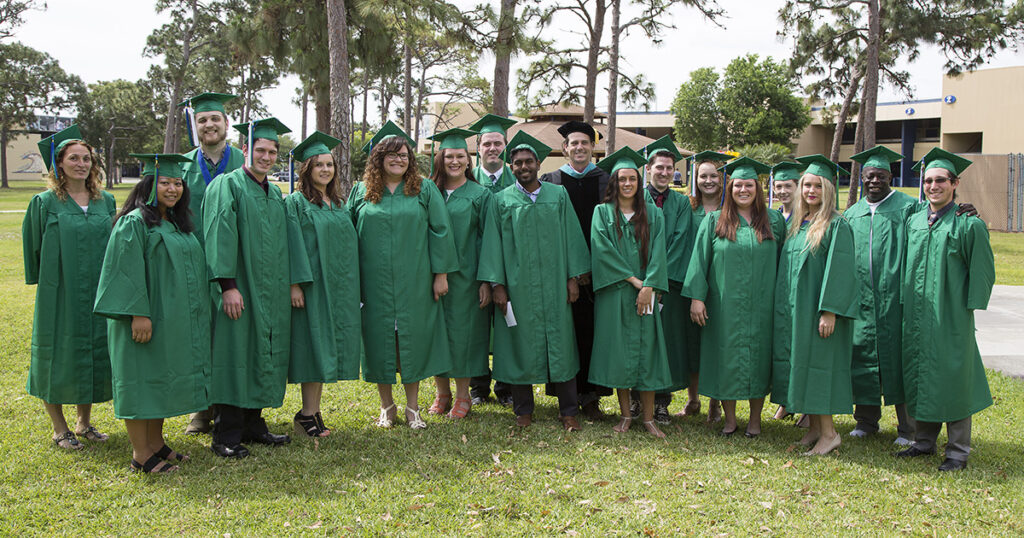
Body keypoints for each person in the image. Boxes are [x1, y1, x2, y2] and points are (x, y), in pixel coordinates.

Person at [93, 153, 211, 473]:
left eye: (177, 183)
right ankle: (141, 454)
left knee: (157, 379)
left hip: (169, 318)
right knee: (139, 380)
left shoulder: (175, 222)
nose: (172, 189)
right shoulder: (134, 222)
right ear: (148, 185)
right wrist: (138, 314)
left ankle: (156, 444)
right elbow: (125, 272)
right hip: (143, 319)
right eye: (165, 183)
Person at [347, 121, 458, 430]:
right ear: (378, 158)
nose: (398, 160)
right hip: (374, 283)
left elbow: (441, 231)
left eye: (404, 155)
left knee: (415, 339)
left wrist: (441, 274)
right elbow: (347, 235)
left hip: (416, 280)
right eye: (391, 155)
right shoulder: (362, 191)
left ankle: (413, 408)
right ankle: (386, 406)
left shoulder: (424, 189)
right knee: (379, 340)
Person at [478, 131, 590, 431]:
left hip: (555, 284)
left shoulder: (558, 195)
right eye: (517, 163)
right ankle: (523, 410)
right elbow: (492, 244)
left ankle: (568, 411)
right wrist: (497, 284)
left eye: (529, 161)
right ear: (510, 166)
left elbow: (571, 238)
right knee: (519, 344)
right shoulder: (501, 200)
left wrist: (573, 278)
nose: (524, 166)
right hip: (518, 285)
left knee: (562, 343)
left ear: (538, 163)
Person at [897, 148, 995, 472]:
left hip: (950, 315)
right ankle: (923, 442)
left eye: (940, 180)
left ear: (955, 183)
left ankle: (957, 451)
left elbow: (982, 269)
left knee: (953, 378)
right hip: (917, 314)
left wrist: (968, 308)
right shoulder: (913, 221)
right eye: (927, 180)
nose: (933, 185)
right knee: (921, 375)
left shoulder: (969, 224)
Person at [203, 117, 293, 458]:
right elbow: (218, 234)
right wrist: (227, 285)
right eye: (260, 150)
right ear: (245, 150)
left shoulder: (274, 194)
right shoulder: (228, 185)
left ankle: (254, 425)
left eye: (272, 152)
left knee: (262, 350)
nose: (267, 157)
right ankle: (225, 433)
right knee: (234, 353)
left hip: (269, 289)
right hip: (239, 287)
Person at [22, 125, 115, 450]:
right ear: (59, 164)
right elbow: (33, 247)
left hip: (97, 289)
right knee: (56, 353)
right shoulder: (45, 202)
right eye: (73, 158)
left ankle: (84, 422)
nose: (81, 163)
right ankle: (60, 428)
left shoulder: (105, 201)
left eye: (86, 158)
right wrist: (46, 283)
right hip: (59, 292)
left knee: (91, 350)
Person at [683, 157, 787, 437]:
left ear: (758, 188)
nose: (743, 189)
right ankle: (729, 419)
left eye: (749, 185)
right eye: (738, 184)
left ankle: (755, 420)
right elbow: (699, 261)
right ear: (729, 188)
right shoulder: (714, 221)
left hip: (762, 305)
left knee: (759, 359)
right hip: (723, 304)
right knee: (724, 358)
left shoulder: (774, 221)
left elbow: (785, 264)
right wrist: (697, 298)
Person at [775, 154, 859, 456]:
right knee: (803, 365)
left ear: (828, 190)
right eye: (806, 185)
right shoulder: (798, 224)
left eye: (817, 186)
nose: (811, 191)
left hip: (819, 312)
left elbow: (841, 270)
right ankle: (812, 428)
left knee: (819, 367)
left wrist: (829, 310)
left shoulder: (836, 225)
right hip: (797, 312)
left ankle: (829, 434)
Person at [588, 147, 670, 438]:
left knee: (647, 351)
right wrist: (637, 283)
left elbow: (660, 251)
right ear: (614, 182)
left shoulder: (654, 215)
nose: (626, 184)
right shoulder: (602, 213)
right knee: (620, 352)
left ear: (638, 181)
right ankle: (625, 415)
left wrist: (650, 286)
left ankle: (648, 418)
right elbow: (602, 251)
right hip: (616, 293)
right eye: (621, 179)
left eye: (632, 179)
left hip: (648, 291)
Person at [285, 131, 361, 438]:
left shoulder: (338, 203)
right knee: (312, 348)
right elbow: (291, 245)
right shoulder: (295, 203)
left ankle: (313, 411)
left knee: (326, 346)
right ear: (307, 170)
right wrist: (295, 284)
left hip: (339, 287)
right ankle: (306, 414)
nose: (325, 170)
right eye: (319, 165)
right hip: (312, 286)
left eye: (329, 165)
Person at [178, 92, 245, 435]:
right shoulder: (184, 165)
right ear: (196, 125)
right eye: (202, 120)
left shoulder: (242, 161)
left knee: (230, 336)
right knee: (198, 335)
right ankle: (200, 410)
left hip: (235, 265)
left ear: (225, 123)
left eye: (215, 119)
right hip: (194, 263)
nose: (209, 125)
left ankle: (229, 407)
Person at [843, 145, 918, 445]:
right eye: (870, 176)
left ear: (891, 176)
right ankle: (866, 421)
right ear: (862, 177)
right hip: (861, 300)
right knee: (862, 359)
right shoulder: (852, 213)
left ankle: (908, 428)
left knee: (898, 362)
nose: (875, 181)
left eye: (881, 176)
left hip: (894, 300)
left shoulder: (909, 207)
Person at [540, 120, 609, 420]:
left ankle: (592, 396)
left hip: (600, 271)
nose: (579, 147)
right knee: (563, 332)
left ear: (593, 148)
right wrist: (569, 270)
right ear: (564, 148)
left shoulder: (606, 180)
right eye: (573, 143)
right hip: (562, 271)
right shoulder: (551, 180)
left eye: (585, 143)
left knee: (594, 332)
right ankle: (565, 396)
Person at [426, 127, 492, 419]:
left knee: (464, 336)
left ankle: (463, 396)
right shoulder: (428, 191)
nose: (454, 161)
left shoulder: (481, 194)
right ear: (440, 159)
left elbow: (489, 240)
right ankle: (442, 393)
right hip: (429, 276)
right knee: (435, 333)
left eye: (460, 156)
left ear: (469, 160)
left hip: (467, 278)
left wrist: (486, 281)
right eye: (449, 156)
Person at [636, 136, 697, 424]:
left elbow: (680, 241)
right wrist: (642, 281)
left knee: (666, 344)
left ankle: (661, 402)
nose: (664, 172)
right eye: (659, 167)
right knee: (639, 340)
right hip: (637, 286)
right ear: (648, 169)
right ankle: (637, 399)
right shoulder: (634, 198)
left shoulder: (682, 203)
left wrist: (658, 282)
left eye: (669, 168)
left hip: (667, 287)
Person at [466, 114, 518, 406]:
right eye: (487, 143)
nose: (493, 148)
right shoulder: (467, 179)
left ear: (506, 146)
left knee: (508, 326)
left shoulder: (518, 181)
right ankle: (477, 386)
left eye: (498, 143)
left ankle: (507, 387)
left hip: (511, 268)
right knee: (476, 326)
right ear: (478, 147)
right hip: (472, 266)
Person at [678, 150, 732, 422]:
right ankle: (693, 399)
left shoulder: (731, 210)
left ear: (722, 179)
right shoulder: (688, 207)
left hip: (722, 286)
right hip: (691, 283)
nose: (708, 181)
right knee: (693, 343)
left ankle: (716, 402)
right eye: (703, 176)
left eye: (713, 176)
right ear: (695, 179)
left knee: (717, 343)